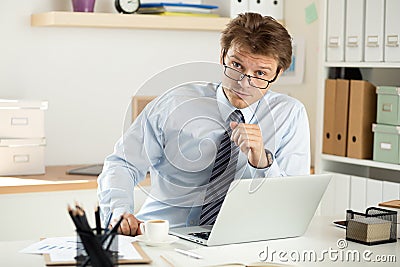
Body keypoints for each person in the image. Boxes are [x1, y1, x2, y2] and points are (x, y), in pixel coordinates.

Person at [97, 12, 310, 236]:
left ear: (278, 73)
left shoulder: (289, 115)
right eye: (236, 65)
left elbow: (293, 204)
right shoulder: (175, 103)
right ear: (222, 57)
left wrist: (262, 163)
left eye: (260, 73)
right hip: (164, 236)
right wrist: (118, 212)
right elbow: (123, 163)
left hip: (243, 239)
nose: (244, 83)